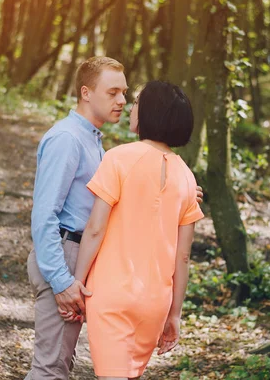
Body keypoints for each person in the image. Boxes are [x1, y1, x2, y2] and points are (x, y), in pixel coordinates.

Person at [26, 57, 202, 379]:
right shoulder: (68, 139)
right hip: (66, 257)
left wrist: (178, 195)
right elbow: (45, 215)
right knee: (50, 368)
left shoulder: (99, 144)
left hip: (86, 263)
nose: (122, 101)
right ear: (86, 93)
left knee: (61, 364)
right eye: (113, 93)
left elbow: (124, 199)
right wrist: (65, 281)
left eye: (125, 93)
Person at [72, 81, 204, 379]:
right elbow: (182, 258)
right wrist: (175, 314)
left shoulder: (119, 157)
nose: (131, 107)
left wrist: (77, 283)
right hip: (155, 303)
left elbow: (95, 229)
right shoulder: (186, 177)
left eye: (137, 102)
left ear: (151, 112)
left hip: (112, 294)